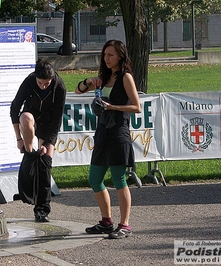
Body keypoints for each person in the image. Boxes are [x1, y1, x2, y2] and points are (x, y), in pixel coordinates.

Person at [75, 40, 141, 239]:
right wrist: (89, 82)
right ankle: (106, 221)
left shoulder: (125, 77)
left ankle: (125, 224)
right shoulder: (102, 78)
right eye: (105, 55)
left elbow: (136, 107)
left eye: (111, 55)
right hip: (103, 132)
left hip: (119, 131)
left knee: (119, 179)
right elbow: (78, 90)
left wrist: (113, 107)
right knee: (94, 179)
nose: (107, 58)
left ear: (120, 56)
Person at [10, 59, 66, 222]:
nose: (43, 86)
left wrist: (47, 143)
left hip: (48, 123)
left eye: (47, 83)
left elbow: (57, 119)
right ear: (35, 77)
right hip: (31, 116)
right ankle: (28, 153)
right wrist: (19, 139)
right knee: (26, 118)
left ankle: (42, 209)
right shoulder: (29, 81)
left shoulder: (59, 86)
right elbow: (14, 108)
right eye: (40, 83)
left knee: (45, 165)